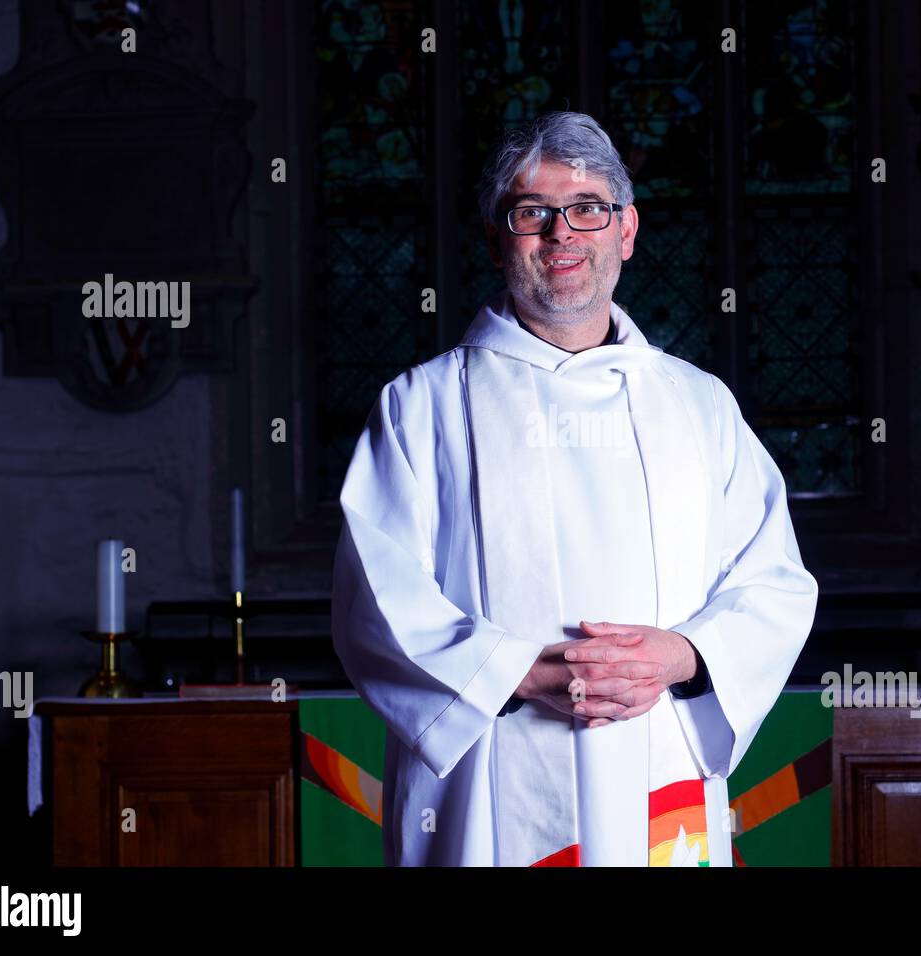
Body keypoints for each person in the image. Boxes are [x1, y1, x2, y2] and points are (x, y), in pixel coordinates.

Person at [331, 110, 818, 866]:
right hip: (489, 766)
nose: (563, 235)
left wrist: (684, 655)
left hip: (655, 753)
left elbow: (774, 584)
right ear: (499, 239)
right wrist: (516, 671)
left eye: (588, 208)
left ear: (625, 231)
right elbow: (375, 594)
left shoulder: (699, 404)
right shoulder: (420, 406)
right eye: (534, 213)